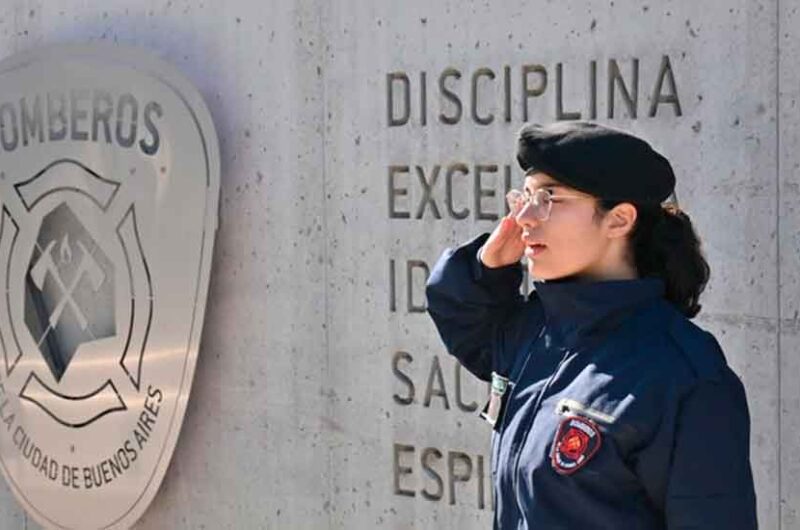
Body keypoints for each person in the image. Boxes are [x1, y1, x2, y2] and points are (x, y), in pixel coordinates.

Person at [425, 121, 758, 529]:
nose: (525, 218)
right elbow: (462, 316)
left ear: (618, 220)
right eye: (525, 198)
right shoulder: (537, 333)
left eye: (549, 198)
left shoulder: (684, 375)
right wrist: (486, 265)